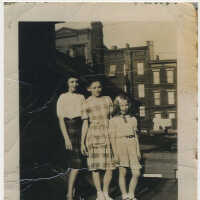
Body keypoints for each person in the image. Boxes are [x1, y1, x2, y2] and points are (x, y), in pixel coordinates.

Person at [81, 79, 115, 200]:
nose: (97, 90)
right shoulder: (86, 102)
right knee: (95, 167)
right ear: (88, 89)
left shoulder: (107, 99)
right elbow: (85, 123)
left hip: (107, 134)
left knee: (110, 166)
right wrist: (82, 142)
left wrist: (113, 135)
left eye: (99, 87)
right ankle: (99, 193)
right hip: (93, 135)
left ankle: (106, 192)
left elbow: (111, 119)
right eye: (94, 87)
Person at [57, 76, 85, 200]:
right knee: (76, 163)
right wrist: (66, 138)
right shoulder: (62, 97)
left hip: (80, 129)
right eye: (71, 82)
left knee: (77, 162)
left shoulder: (81, 97)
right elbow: (61, 120)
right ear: (67, 83)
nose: (74, 84)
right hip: (69, 130)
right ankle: (69, 194)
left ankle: (74, 191)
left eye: (76, 82)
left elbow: (84, 118)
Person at [109, 94, 142, 200]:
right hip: (120, 145)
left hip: (132, 143)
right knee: (122, 172)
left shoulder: (133, 119)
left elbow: (136, 136)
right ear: (117, 106)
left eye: (126, 105)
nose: (124, 107)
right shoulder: (113, 120)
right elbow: (112, 138)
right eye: (122, 105)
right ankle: (125, 195)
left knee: (136, 172)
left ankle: (131, 194)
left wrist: (138, 151)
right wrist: (115, 154)